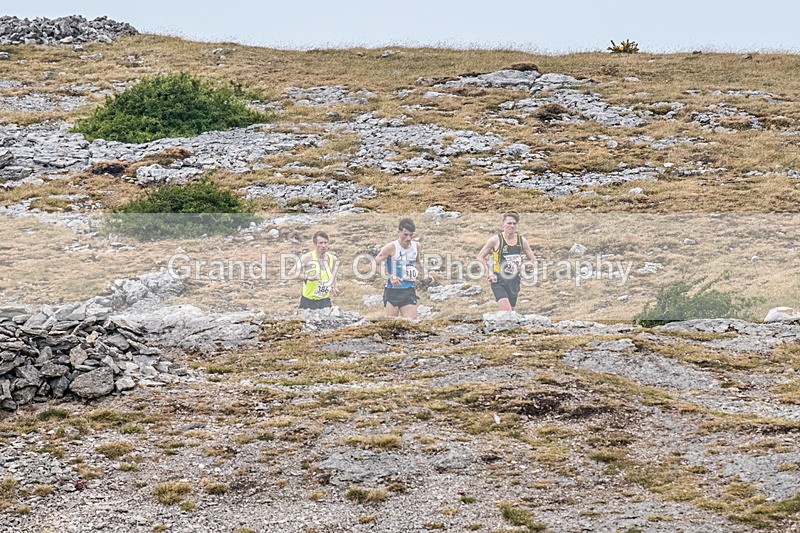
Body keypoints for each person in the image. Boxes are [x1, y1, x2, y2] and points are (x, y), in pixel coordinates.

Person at [476, 211, 536, 311]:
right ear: (503, 224)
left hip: (514, 280)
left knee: (511, 310)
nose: (512, 226)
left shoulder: (522, 241)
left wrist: (525, 266)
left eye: (514, 223)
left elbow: (533, 259)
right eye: (509, 223)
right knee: (507, 311)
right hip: (498, 280)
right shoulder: (495, 240)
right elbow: (480, 257)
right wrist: (489, 273)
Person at [375, 218, 422, 318]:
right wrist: (390, 276)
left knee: (412, 324)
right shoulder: (391, 247)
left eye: (411, 235)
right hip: (393, 291)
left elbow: (417, 262)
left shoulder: (416, 246)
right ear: (399, 232)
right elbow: (375, 264)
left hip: (409, 290)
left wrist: (427, 274)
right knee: (392, 326)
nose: (409, 238)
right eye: (405, 234)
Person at [288, 231, 340, 309]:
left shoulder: (333, 259)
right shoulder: (307, 257)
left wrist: (334, 287)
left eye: (326, 243)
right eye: (320, 243)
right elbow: (291, 274)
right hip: (308, 301)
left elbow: (333, 273)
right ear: (315, 244)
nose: (323, 246)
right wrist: (308, 277)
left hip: (324, 301)